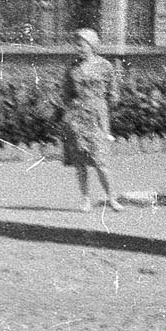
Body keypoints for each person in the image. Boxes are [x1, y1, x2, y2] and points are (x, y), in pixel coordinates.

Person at [58, 28, 122, 212]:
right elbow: (67, 94)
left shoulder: (105, 66)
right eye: (76, 44)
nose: (78, 48)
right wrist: (70, 113)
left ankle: (111, 198)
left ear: (91, 45)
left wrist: (102, 106)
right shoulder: (72, 68)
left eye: (81, 44)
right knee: (81, 163)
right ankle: (86, 199)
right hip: (76, 118)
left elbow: (113, 93)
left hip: (97, 117)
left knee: (101, 161)